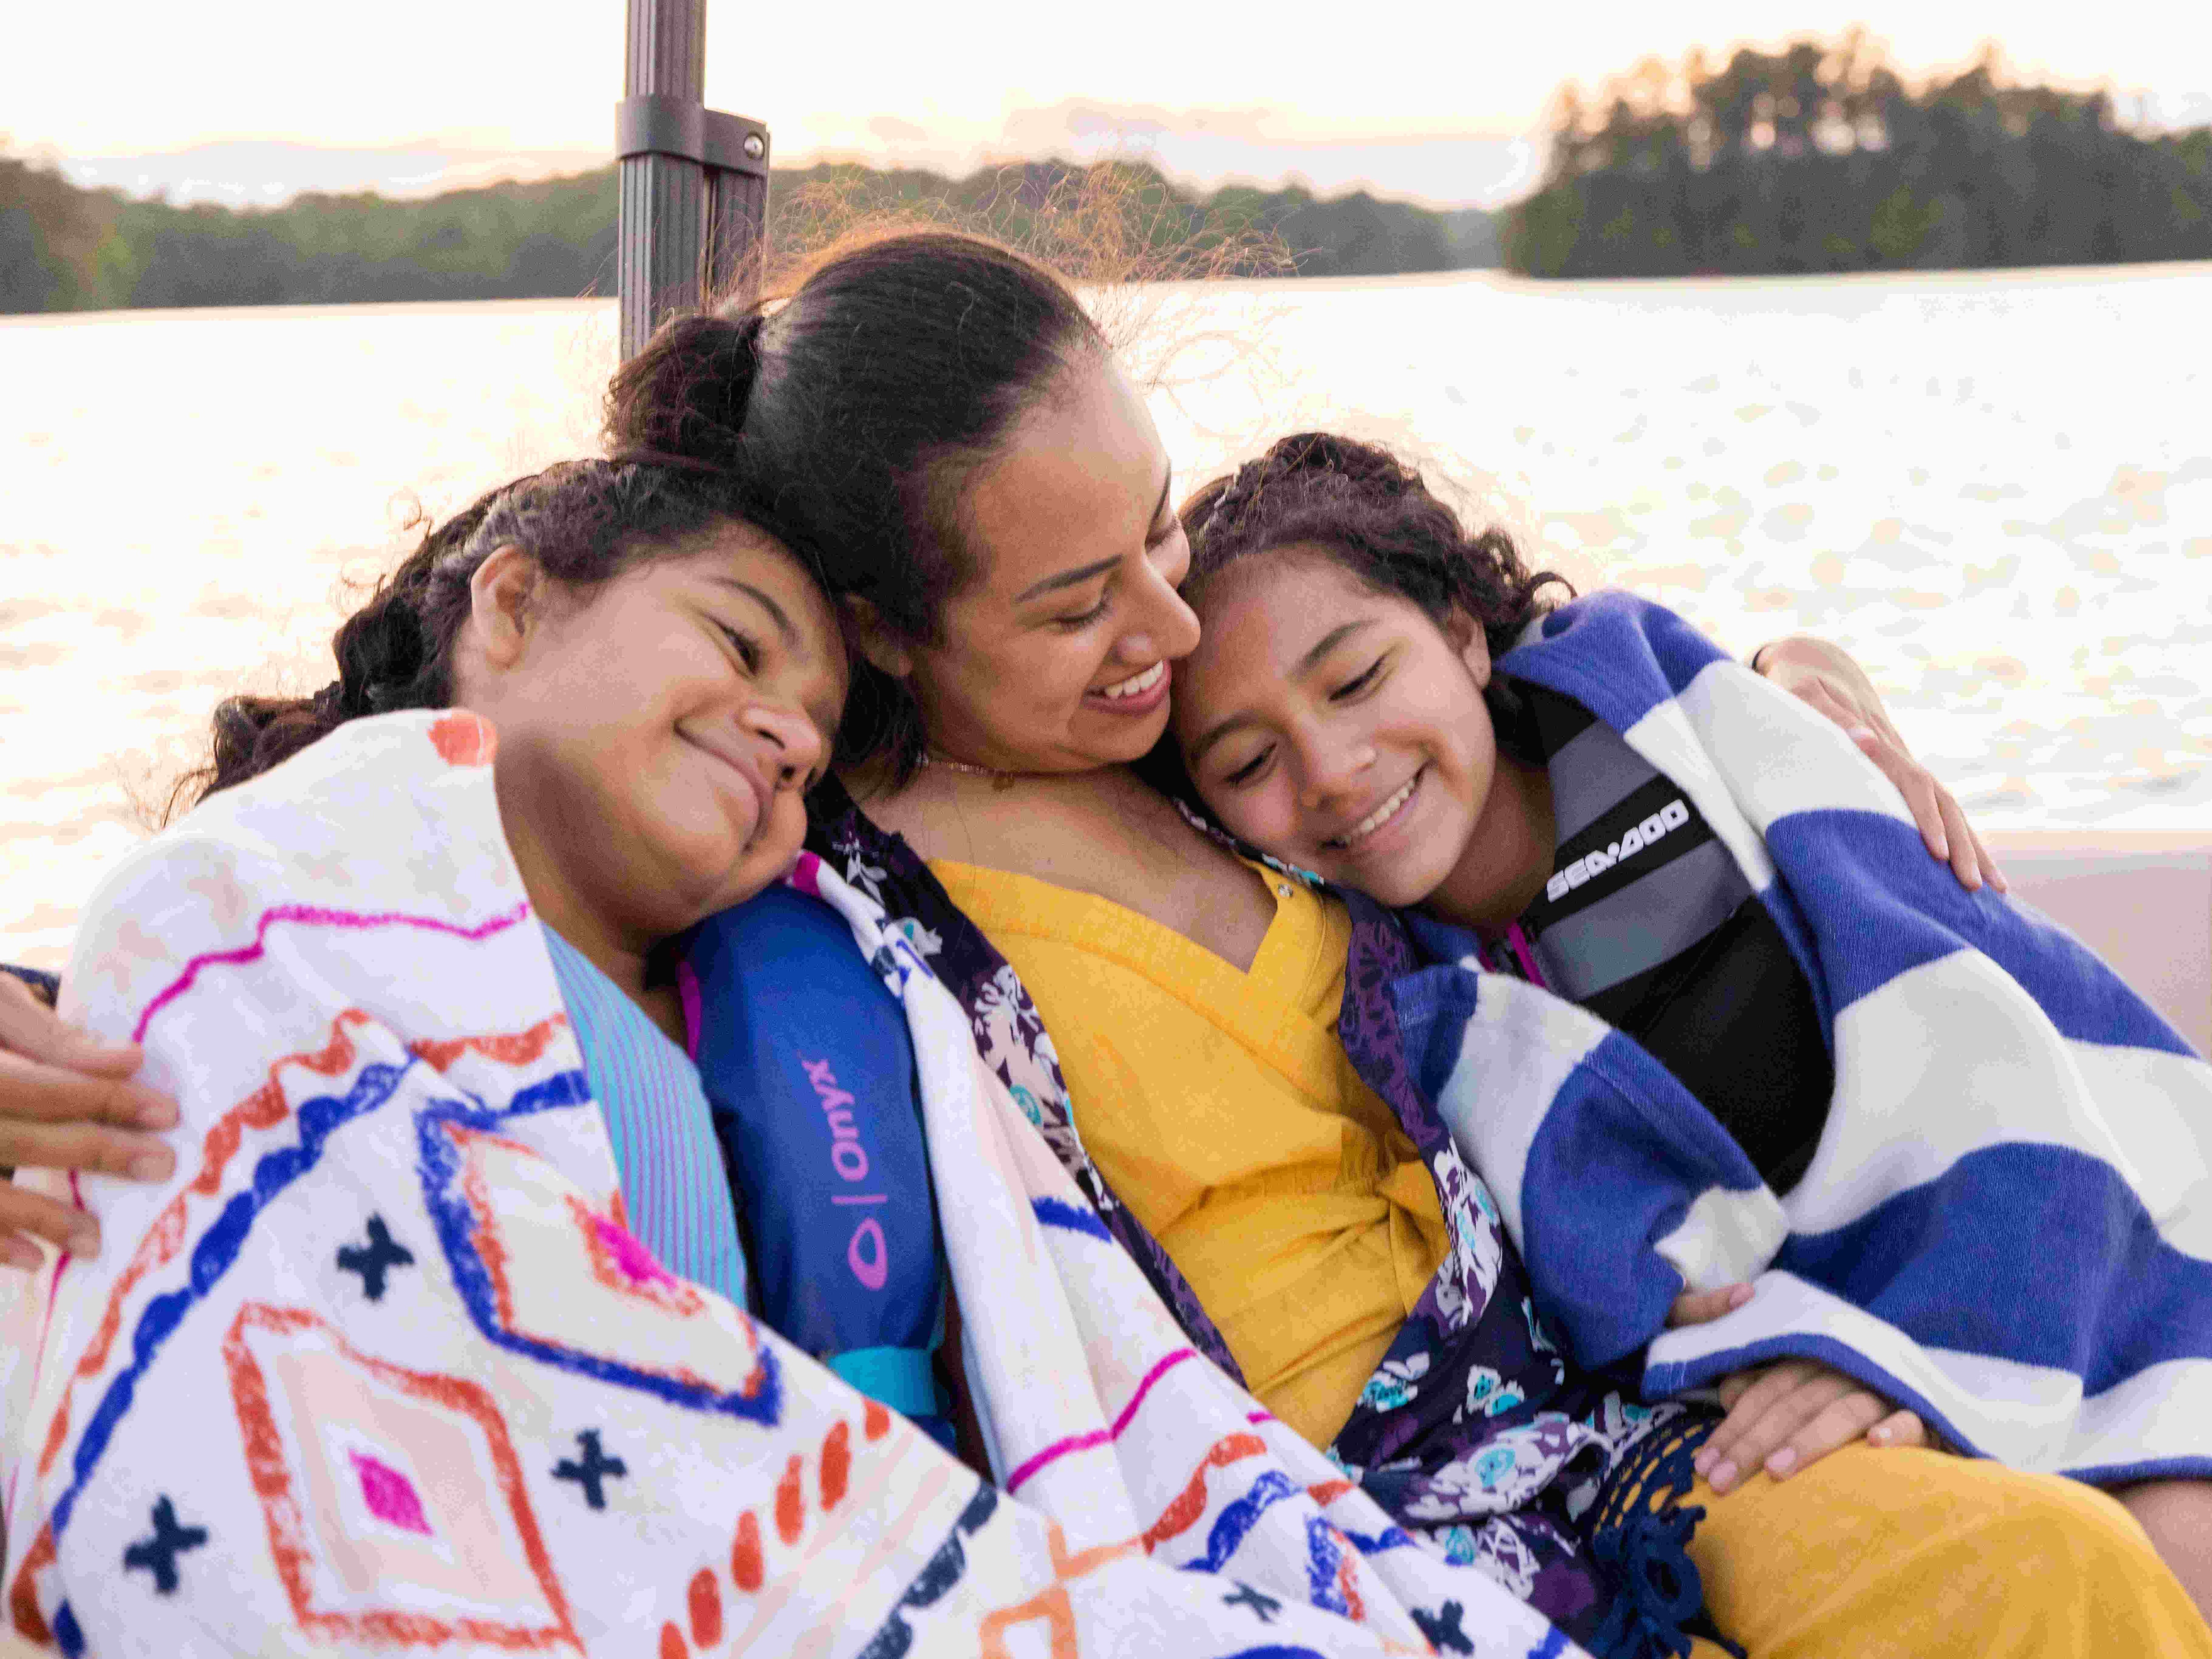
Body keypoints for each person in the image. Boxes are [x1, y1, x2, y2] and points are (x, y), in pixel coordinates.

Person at [4, 228, 2197, 1655]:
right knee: (2037, 1585)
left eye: (1153, 532)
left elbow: (1502, 672)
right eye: (1073, 605)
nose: (1160, 621)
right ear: (888, 634)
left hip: (1607, 1385)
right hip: (1352, 1491)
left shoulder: (1210, 748)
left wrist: (1793, 684)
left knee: (2066, 1560)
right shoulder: (828, 871)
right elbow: (400, 898)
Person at [2, 455, 1562, 1657]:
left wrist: (1711, 697)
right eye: (737, 648)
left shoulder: (865, 1004)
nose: (785, 735)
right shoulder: (252, 931)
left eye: (816, 734)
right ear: (515, 607)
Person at [1160, 429, 2212, 1617]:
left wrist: (1915, 1349)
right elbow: (1628, 1297)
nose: (1334, 771)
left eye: (1356, 681)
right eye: (1250, 761)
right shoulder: (1397, 997)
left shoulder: (1666, 724)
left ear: (1460, 628)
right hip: (1846, 1346)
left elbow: (1976, 1045)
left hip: (2100, 1237)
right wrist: (1842, 1352)